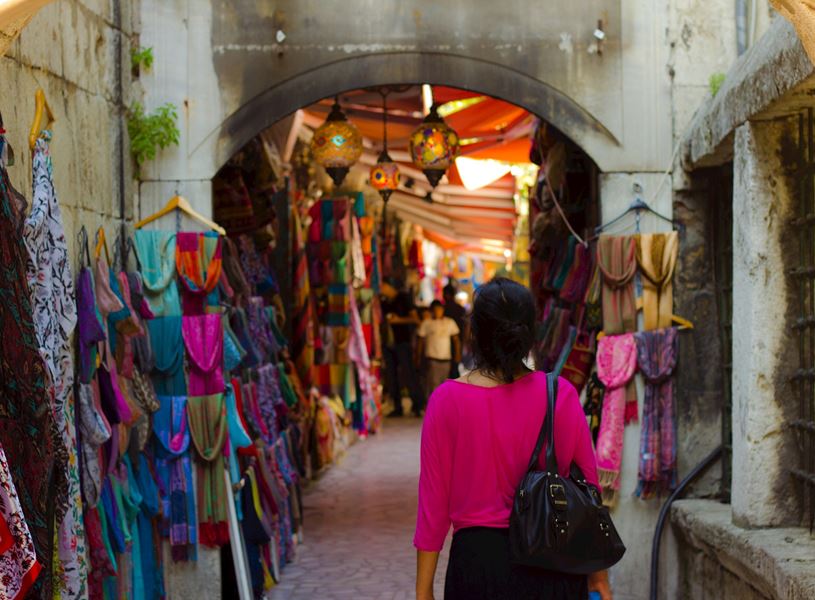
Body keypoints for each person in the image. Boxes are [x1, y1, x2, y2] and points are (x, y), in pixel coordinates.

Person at [414, 277, 612, 600]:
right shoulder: (560, 394)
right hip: (553, 558)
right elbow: (590, 491)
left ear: (474, 334)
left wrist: (423, 592)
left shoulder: (445, 400)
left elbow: (432, 508)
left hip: (477, 567)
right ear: (530, 334)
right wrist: (599, 580)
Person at [380, 278, 425, 417]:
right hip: (389, 344)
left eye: (382, 286)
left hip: (403, 343)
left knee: (408, 373)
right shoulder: (383, 302)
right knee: (392, 376)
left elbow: (417, 320)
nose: (380, 289)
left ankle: (417, 405)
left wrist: (399, 320)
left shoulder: (404, 298)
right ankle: (397, 406)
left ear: (389, 286)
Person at [417, 300, 461, 398]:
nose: (438, 312)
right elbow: (420, 341)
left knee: (444, 384)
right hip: (432, 358)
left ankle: (441, 407)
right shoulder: (427, 323)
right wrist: (418, 356)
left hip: (446, 359)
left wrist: (457, 354)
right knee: (433, 384)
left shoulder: (450, 322)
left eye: (439, 309)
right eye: (435, 310)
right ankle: (433, 407)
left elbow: (456, 340)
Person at [442, 283, 466, 378]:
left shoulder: (444, 309)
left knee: (449, 369)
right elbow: (465, 326)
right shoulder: (461, 309)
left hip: (445, 342)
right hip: (458, 340)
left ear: (447, 294)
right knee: (455, 366)